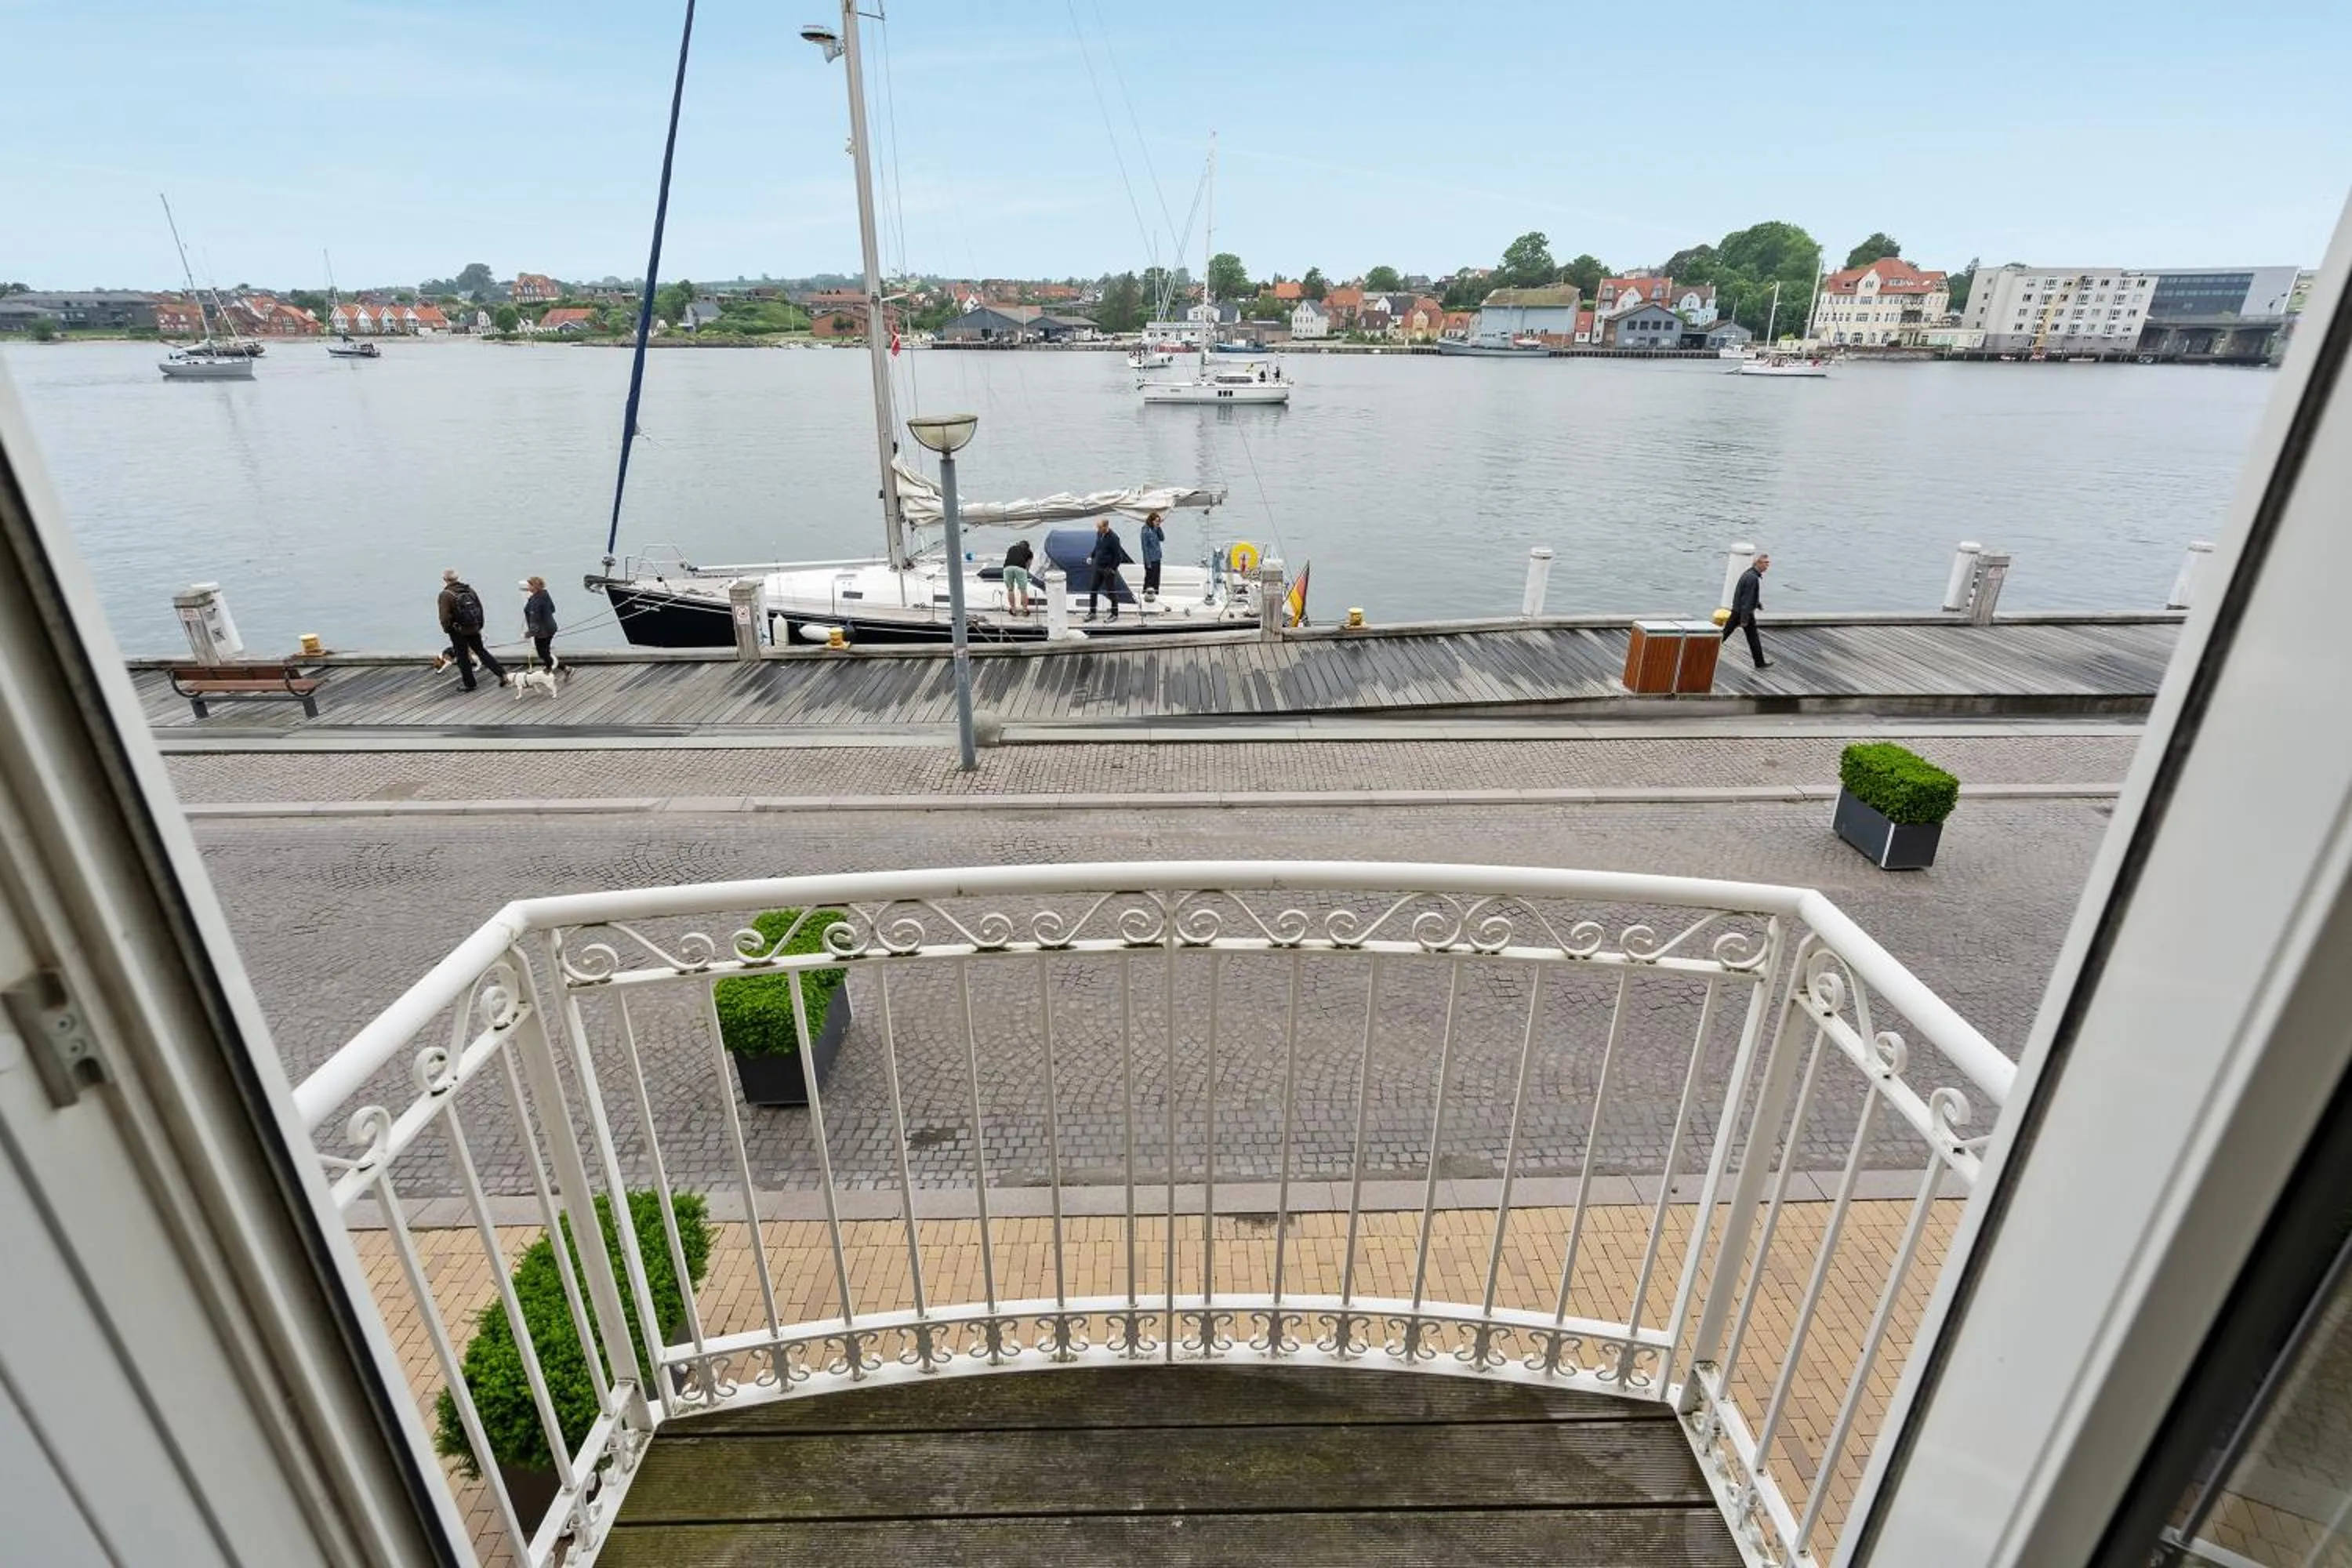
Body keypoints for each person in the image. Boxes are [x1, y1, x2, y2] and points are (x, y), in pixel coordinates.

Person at [437, 568, 506, 691]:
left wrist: (448, 629)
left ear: (444, 579)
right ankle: (502, 674)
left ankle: (470, 684)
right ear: (457, 578)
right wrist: (479, 625)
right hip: (474, 627)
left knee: (462, 656)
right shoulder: (469, 590)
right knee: (481, 651)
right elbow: (479, 609)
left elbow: (444, 617)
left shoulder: (446, 595)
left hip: (458, 630)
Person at [1722, 552, 1773, 669]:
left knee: (1726, 634)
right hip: (1743, 613)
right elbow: (1747, 598)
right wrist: (1744, 618)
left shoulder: (1749, 574)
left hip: (1739, 611)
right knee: (1751, 637)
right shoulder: (1752, 578)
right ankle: (1759, 662)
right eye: (1766, 563)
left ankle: (1759, 662)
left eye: (1768, 563)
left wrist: (1757, 604)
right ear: (1758, 563)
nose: (1767, 566)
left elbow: (1749, 595)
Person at [1084, 517, 1132, 622]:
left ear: (1106, 526)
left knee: (1111, 592)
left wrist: (1112, 569)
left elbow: (1118, 556)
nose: (1098, 529)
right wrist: (1091, 556)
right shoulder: (1099, 534)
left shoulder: (1114, 538)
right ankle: (1092, 612)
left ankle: (1114, 614)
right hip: (1098, 567)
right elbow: (1098, 547)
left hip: (1108, 568)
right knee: (1093, 589)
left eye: (1100, 527)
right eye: (1098, 527)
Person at [521, 576, 558, 670]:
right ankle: (549, 669)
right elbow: (553, 609)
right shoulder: (545, 594)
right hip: (551, 627)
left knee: (542, 653)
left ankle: (564, 668)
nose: (528, 587)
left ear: (535, 587)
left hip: (542, 632)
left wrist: (529, 633)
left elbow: (534, 619)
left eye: (530, 585)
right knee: (546, 652)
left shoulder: (535, 601)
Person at [1003, 539, 1035, 615]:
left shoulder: (1012, 548)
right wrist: (1026, 572)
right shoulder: (1029, 552)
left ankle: (1013, 610)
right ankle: (1024, 610)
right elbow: (1028, 564)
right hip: (1020, 568)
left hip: (1008, 568)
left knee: (1010, 590)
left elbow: (1009, 557)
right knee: (1023, 591)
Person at [1138, 511, 1164, 601]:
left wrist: (1159, 528)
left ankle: (1156, 594)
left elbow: (1162, 538)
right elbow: (1144, 548)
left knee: (1156, 578)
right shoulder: (1145, 531)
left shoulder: (1155, 529)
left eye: (1159, 521)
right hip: (1150, 559)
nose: (1158, 523)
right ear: (1151, 521)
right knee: (1149, 579)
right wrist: (1147, 562)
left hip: (1157, 557)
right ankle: (1145, 594)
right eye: (1157, 521)